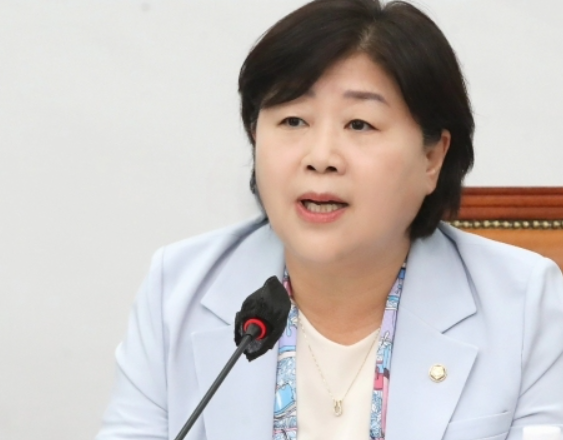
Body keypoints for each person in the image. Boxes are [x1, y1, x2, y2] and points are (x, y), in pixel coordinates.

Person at [96, 0, 563, 439]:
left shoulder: (525, 307)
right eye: (293, 121)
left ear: (432, 158)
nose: (321, 157)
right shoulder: (176, 291)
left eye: (360, 124)